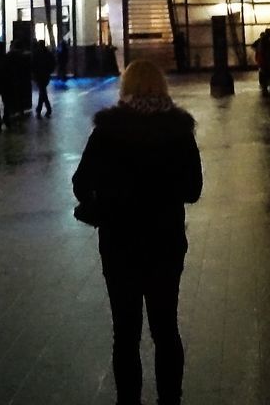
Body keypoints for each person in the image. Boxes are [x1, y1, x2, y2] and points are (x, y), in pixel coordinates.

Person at [73, 60, 202, 405]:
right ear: (162, 86)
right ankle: (170, 398)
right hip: (165, 241)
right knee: (165, 329)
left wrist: (107, 199)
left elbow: (80, 183)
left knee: (125, 332)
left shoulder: (107, 130)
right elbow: (193, 189)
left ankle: (128, 399)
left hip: (119, 242)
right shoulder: (178, 130)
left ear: (125, 87)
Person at [32, 39, 56, 117]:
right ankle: (45, 109)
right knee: (43, 92)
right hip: (45, 75)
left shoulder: (36, 54)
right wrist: (49, 71)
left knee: (42, 92)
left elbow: (33, 64)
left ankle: (41, 109)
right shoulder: (48, 53)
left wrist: (33, 74)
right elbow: (53, 63)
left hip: (39, 75)